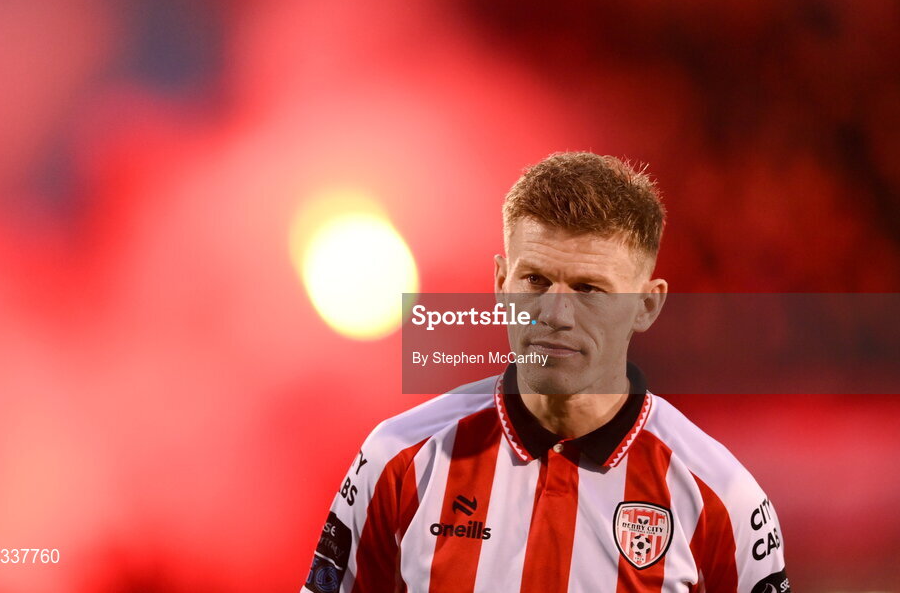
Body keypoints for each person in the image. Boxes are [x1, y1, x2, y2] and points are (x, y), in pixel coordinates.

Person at [302, 152, 791, 593]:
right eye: (535, 279)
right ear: (500, 283)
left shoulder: (722, 497)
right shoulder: (399, 458)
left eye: (589, 289)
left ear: (646, 304)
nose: (555, 314)